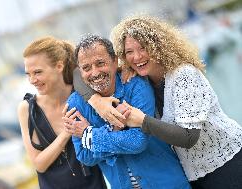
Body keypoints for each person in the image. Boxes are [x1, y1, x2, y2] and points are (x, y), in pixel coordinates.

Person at [74, 15, 242, 189]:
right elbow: (77, 75)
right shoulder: (142, 78)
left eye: (143, 48)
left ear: (159, 46)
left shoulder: (183, 75)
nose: (137, 57)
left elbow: (189, 137)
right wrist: (96, 101)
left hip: (226, 161)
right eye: (129, 52)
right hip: (192, 173)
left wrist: (142, 121)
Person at [64, 34, 190, 189]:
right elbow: (84, 156)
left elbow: (138, 141)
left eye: (100, 63)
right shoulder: (75, 103)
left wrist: (90, 135)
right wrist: (113, 128)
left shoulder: (136, 85)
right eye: (86, 68)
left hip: (166, 183)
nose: (95, 73)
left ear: (115, 61)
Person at [17, 36, 106, 189]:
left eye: (37, 72)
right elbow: (39, 164)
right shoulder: (27, 109)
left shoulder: (84, 96)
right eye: (28, 74)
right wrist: (67, 132)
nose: (32, 80)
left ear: (59, 66)